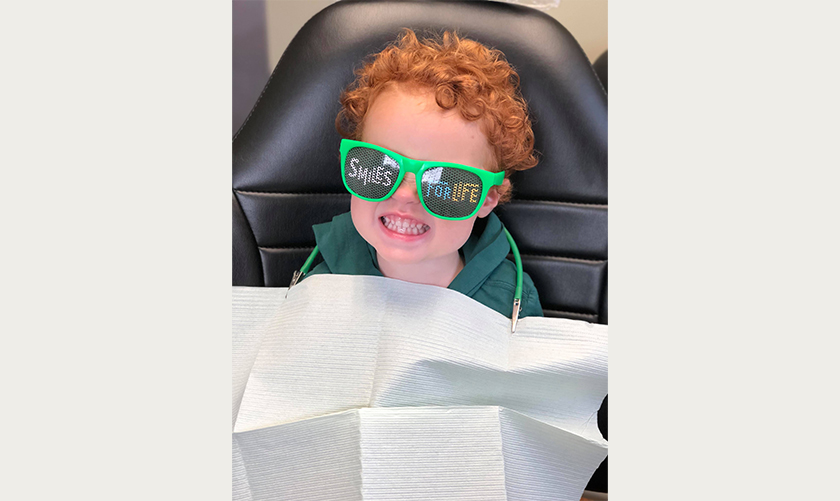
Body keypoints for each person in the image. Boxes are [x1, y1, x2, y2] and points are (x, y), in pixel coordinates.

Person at [305, 29, 542, 319]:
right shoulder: (319, 288)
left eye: (445, 182)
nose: (404, 195)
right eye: (379, 166)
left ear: (487, 199)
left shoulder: (510, 305)